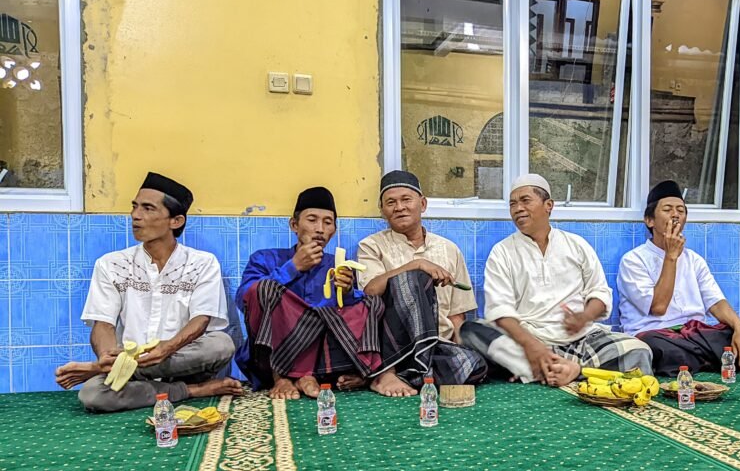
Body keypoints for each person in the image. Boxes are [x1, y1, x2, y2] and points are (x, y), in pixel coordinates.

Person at [55, 172, 242, 411]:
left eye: (148, 208)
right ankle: (192, 391)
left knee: (221, 344)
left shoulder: (202, 263)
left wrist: (166, 348)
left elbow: (201, 320)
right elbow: (103, 324)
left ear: (176, 221)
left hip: (183, 362)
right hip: (130, 368)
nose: (135, 215)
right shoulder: (111, 264)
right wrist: (106, 357)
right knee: (92, 394)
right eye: (134, 207)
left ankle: (115, 370)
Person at [461, 174, 652, 386]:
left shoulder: (576, 245)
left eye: (525, 201)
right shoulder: (502, 252)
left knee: (638, 349)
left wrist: (584, 316)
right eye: (513, 204)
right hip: (528, 340)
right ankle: (563, 369)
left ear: (548, 205)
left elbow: (599, 292)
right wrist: (532, 346)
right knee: (470, 331)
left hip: (581, 340)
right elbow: (499, 310)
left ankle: (560, 370)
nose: (518, 209)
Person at [234, 186, 384, 399]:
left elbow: (350, 315)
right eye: (312, 220)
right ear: (294, 225)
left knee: (372, 303)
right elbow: (245, 299)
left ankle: (307, 376)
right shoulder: (265, 258)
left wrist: (348, 293)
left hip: (321, 353)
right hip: (274, 354)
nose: (320, 229)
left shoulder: (338, 264)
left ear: (334, 230)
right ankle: (282, 377)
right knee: (265, 288)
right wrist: (292, 267)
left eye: (328, 222)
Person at [356, 171, 487, 397]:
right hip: (392, 352)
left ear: (423, 204)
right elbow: (370, 291)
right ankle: (388, 373)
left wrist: (459, 351)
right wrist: (416, 265)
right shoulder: (371, 246)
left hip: (436, 346)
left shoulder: (449, 249)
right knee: (413, 278)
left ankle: (410, 375)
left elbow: (457, 316)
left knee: (475, 365)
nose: (399, 207)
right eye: (391, 202)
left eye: (406, 199)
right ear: (382, 210)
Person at [618, 180, 740, 375]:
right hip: (657, 335)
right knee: (652, 347)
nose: (675, 215)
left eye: (681, 210)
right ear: (650, 220)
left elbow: (716, 303)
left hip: (694, 334)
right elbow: (658, 307)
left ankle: (695, 361)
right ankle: (715, 357)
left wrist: (739, 328)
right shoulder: (633, 260)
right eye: (667, 209)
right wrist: (671, 256)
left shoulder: (694, 260)